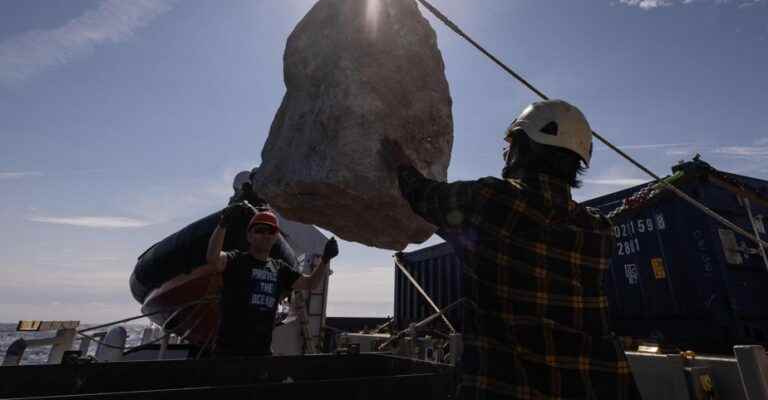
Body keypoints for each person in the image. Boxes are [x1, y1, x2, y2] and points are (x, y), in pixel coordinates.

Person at [380, 99, 640, 399]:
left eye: (511, 143)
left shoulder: (493, 199)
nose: (506, 152)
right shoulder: (599, 231)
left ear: (524, 147)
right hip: (599, 386)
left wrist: (400, 164)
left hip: (508, 386)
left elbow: (425, 196)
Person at [207, 206, 339, 357]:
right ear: (249, 236)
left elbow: (310, 284)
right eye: (260, 230)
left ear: (276, 237)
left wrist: (325, 260)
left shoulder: (280, 269)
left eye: (271, 231)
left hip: (261, 352)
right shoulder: (236, 260)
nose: (266, 235)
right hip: (228, 352)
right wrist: (222, 225)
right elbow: (213, 258)